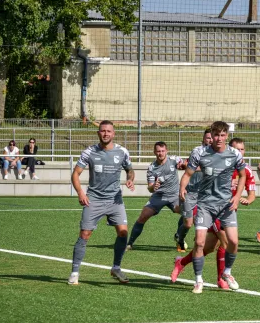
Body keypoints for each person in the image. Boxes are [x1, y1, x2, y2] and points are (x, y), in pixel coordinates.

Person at [171, 137, 256, 289]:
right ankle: (222, 277)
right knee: (225, 242)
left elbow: (252, 193)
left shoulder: (245, 170)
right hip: (209, 206)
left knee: (210, 248)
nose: (240, 152)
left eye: (242, 149)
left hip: (227, 209)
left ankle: (181, 262)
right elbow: (197, 170)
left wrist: (245, 199)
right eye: (237, 149)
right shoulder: (216, 161)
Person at [68, 120, 135, 285]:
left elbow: (130, 170)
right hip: (94, 199)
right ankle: (75, 273)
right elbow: (75, 174)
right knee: (85, 234)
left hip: (115, 200)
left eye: (108, 131)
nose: (105, 134)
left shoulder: (122, 152)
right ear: (99, 133)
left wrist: (130, 179)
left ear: (114, 133)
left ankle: (116, 268)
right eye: (102, 131)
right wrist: (80, 193)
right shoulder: (89, 152)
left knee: (123, 233)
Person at [126, 142, 186, 250]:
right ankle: (129, 243)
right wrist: (154, 186)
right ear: (154, 152)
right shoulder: (152, 168)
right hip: (158, 196)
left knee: (187, 212)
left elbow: (185, 164)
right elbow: (150, 188)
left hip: (174, 195)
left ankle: (178, 236)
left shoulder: (174, 160)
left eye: (163, 151)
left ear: (166, 151)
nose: (160, 153)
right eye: (158, 151)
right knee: (143, 216)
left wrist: (183, 165)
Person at [174, 129, 213, 252]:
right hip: (191, 191)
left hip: (206, 193)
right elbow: (191, 167)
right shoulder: (197, 151)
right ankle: (179, 238)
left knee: (204, 221)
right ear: (203, 139)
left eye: (212, 138)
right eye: (208, 138)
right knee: (187, 223)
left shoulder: (217, 153)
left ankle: (200, 241)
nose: (210, 140)